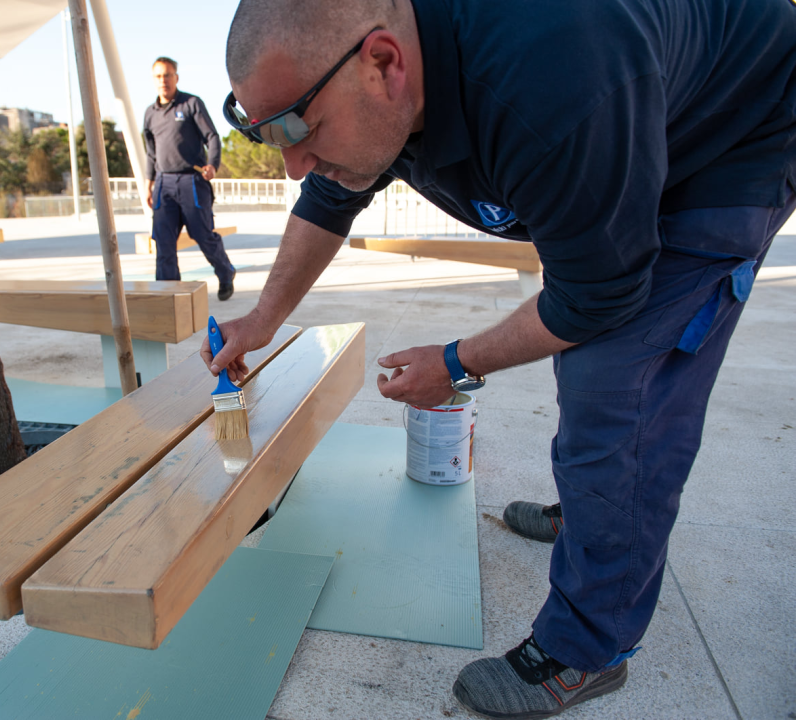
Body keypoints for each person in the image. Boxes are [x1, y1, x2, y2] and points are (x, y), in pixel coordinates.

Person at [204, 0, 796, 717]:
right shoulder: (383, 80)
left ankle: (589, 647)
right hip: (627, 113)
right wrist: (263, 319)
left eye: (299, 128)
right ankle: (593, 515)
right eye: (267, 134)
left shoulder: (553, 85)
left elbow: (596, 299)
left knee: (617, 384)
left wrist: (453, 362)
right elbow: (329, 194)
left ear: (385, 63)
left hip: (737, 132)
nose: (292, 159)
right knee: (588, 356)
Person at [143, 56, 236, 300]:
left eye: (167, 75)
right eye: (158, 76)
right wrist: (148, 183)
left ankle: (225, 272)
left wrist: (212, 165)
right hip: (163, 184)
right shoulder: (150, 114)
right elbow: (150, 153)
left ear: (176, 77)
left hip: (192, 182)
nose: (163, 80)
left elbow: (212, 136)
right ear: (153, 80)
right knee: (163, 242)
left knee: (203, 234)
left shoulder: (191, 104)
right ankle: (169, 295)